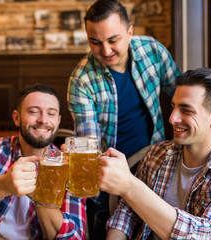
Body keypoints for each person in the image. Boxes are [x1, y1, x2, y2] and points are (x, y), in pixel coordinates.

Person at [98, 67, 211, 239]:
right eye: (173, 106)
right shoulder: (157, 153)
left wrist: (130, 186)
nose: (172, 118)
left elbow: (208, 236)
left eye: (186, 110)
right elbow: (127, 211)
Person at [67, 0, 181, 238]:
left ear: (130, 32)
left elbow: (180, 94)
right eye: (95, 42)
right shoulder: (81, 80)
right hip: (110, 173)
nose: (106, 51)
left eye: (113, 40)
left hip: (156, 163)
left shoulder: (153, 50)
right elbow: (91, 145)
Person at [0, 84, 86, 240]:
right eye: (33, 112)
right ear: (17, 118)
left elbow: (74, 237)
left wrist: (42, 197)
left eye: (51, 114)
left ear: (58, 121)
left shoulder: (69, 166)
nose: (43, 120)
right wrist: (4, 184)